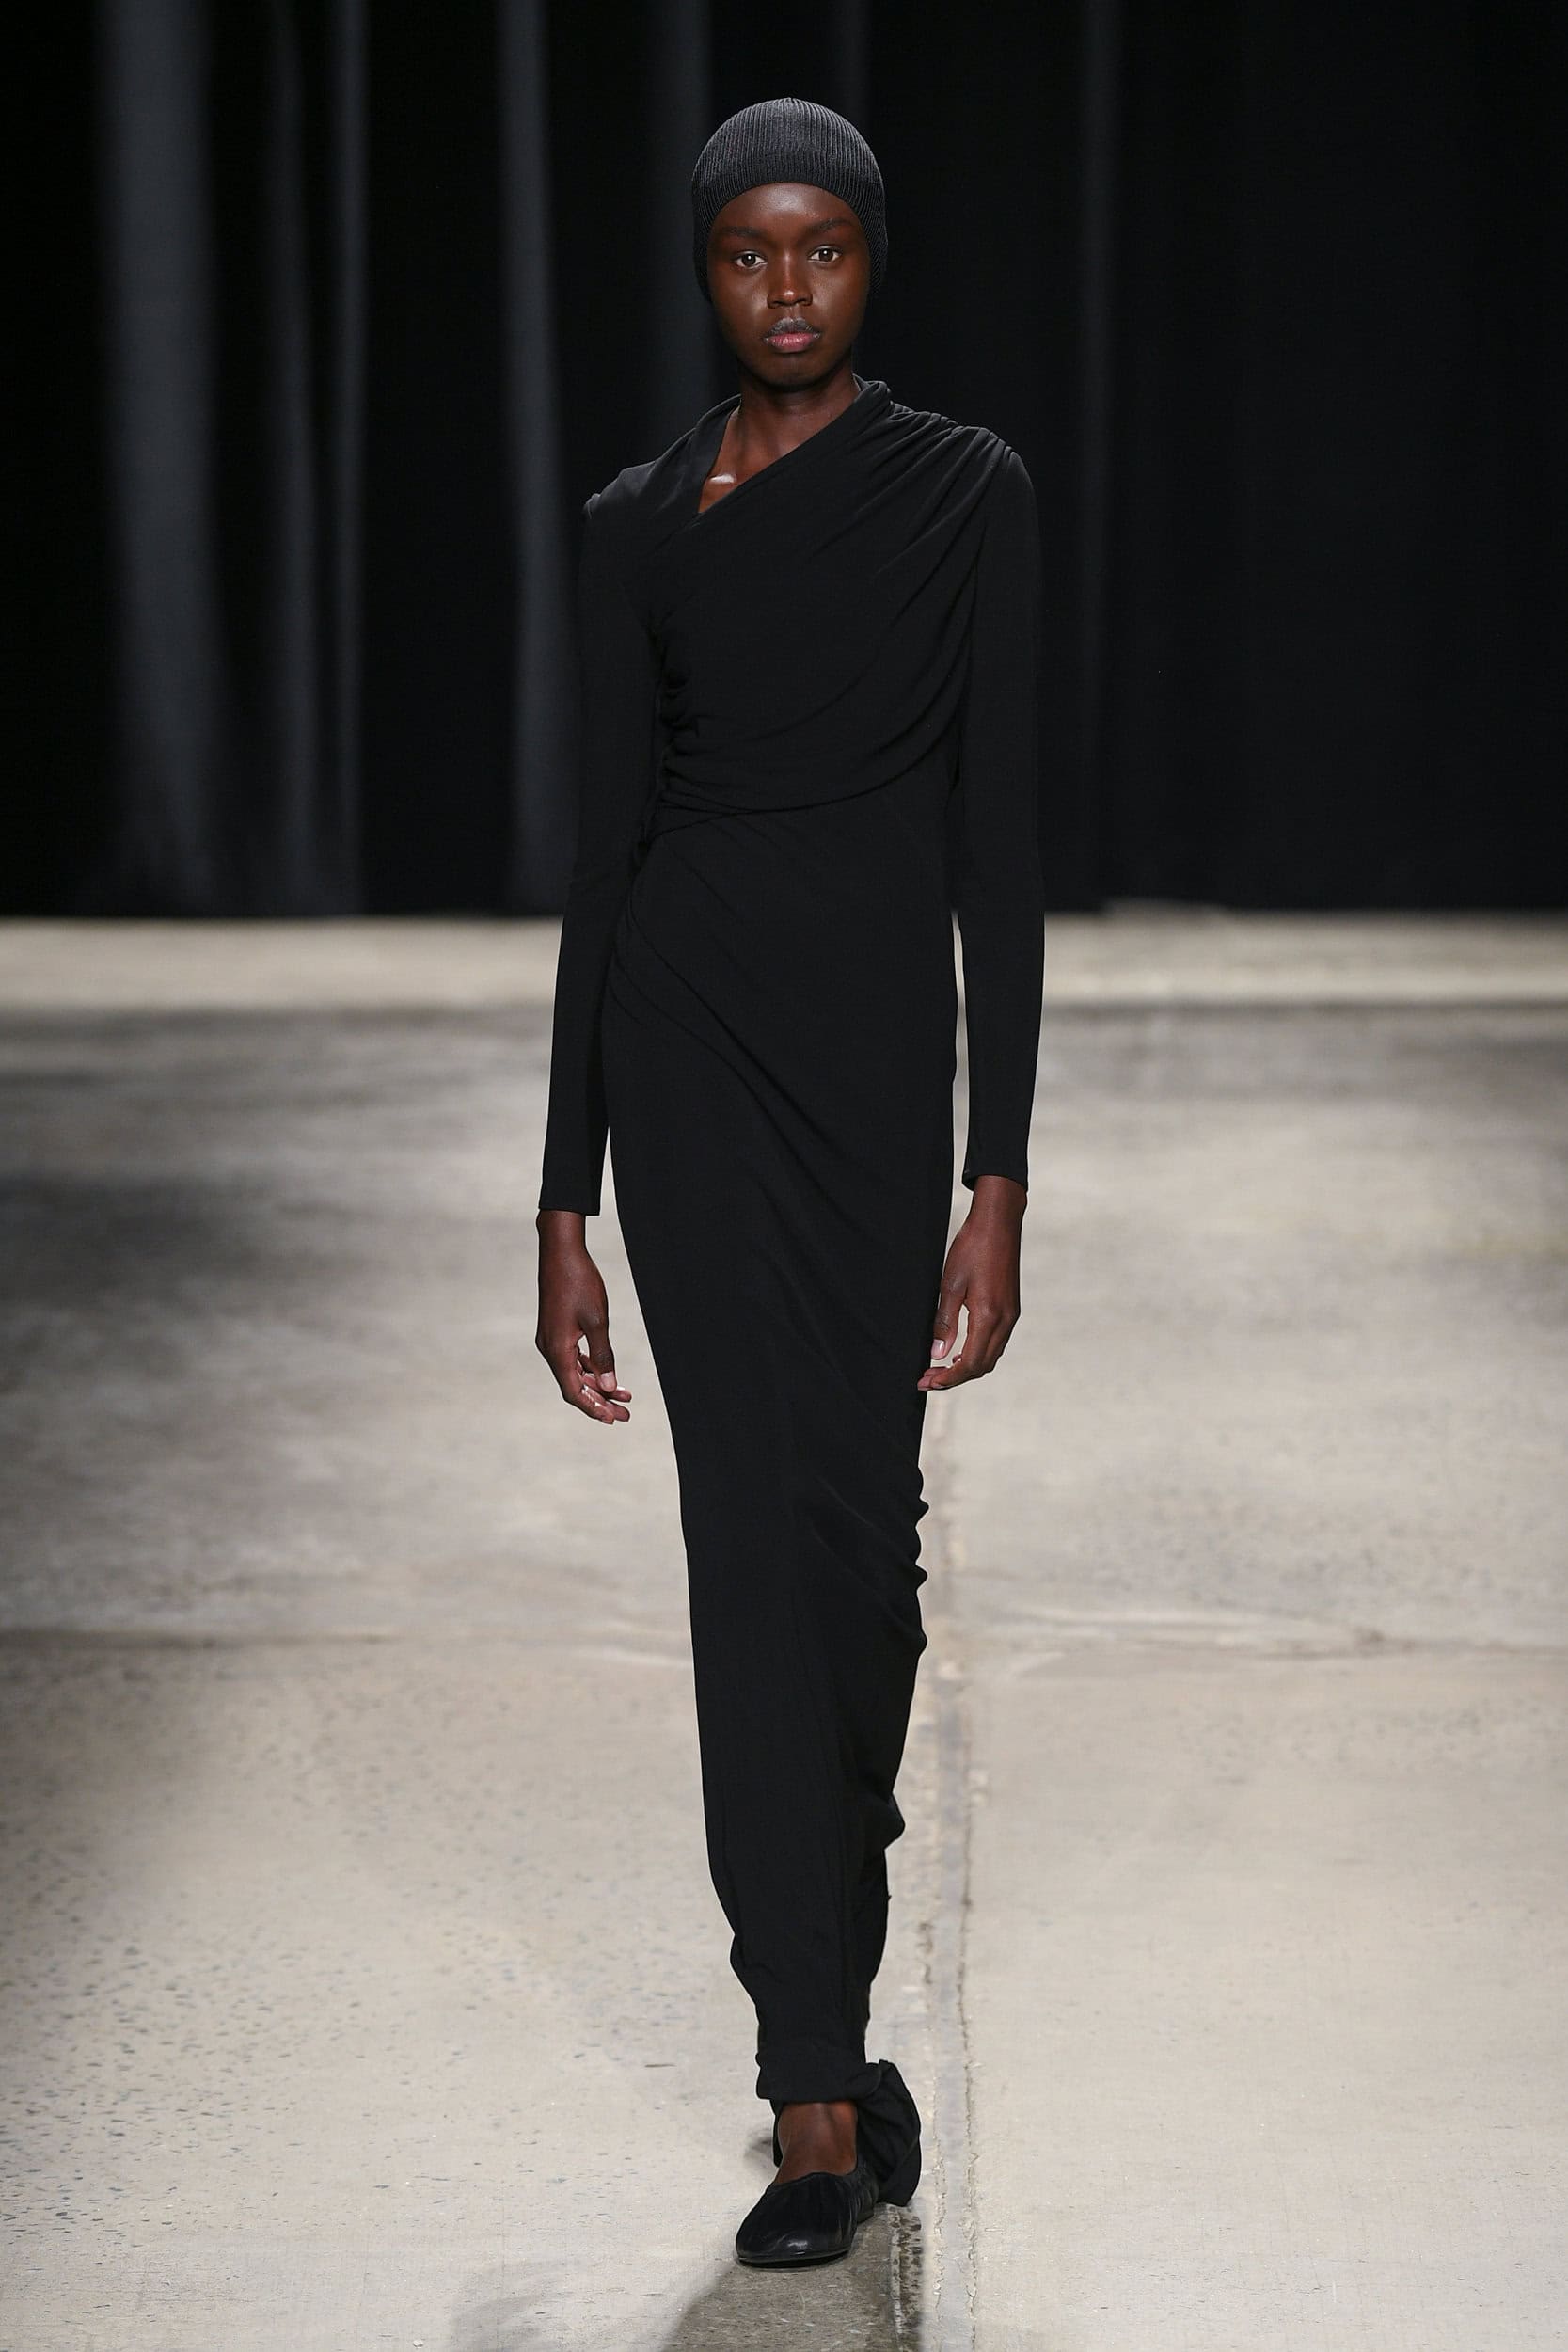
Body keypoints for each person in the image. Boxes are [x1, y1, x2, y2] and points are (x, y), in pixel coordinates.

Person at [534, 95, 1045, 2268]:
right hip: (686, 1058)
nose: (785, 286)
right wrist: (563, 1194)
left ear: (871, 257)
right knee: (748, 1542)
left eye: (819, 246)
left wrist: (998, 1167)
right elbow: (603, 853)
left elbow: (1000, 844)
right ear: (704, 268)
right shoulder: (636, 524)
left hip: (872, 1069)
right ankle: (812, 2085)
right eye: (748, 251)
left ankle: (832, 1973)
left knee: (866, 1562)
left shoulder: (966, 492)